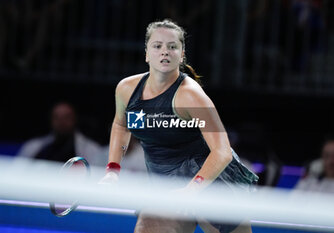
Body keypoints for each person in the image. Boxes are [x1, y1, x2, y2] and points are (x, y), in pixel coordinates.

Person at [99, 19, 258, 233]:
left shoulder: (190, 97)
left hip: (211, 180)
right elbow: (121, 125)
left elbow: (222, 152)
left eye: (172, 46)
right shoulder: (127, 90)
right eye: (157, 46)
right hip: (164, 185)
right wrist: (112, 170)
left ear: (181, 55)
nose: (165, 51)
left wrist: (193, 189)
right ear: (147, 53)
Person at [17, 102, 107, 167]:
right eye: (57, 118)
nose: (61, 122)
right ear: (51, 120)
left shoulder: (92, 150)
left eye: (66, 117)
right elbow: (18, 172)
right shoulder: (32, 146)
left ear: (75, 119)